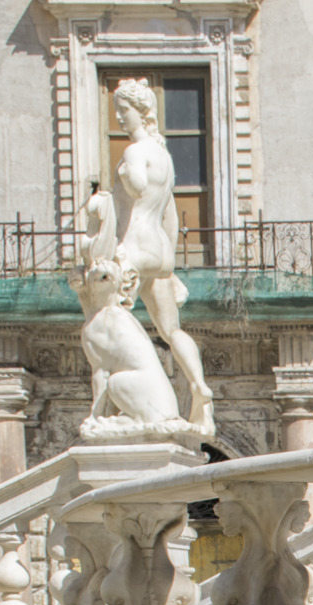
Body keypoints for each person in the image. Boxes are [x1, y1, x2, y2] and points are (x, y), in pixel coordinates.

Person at [109, 78, 215, 435]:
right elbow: (169, 217)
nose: (120, 119)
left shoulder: (135, 152)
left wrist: (124, 171)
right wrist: (169, 265)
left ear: (139, 111)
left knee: (110, 323)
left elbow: (136, 187)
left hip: (135, 248)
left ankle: (119, 405)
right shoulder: (166, 157)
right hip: (159, 250)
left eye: (123, 111)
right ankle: (200, 388)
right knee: (171, 330)